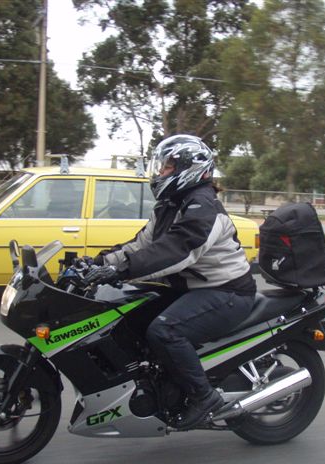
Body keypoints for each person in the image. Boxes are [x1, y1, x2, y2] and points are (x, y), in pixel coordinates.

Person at [90, 134, 256, 429]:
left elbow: (177, 251)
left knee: (165, 330)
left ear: (188, 168)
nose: (160, 173)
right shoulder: (169, 205)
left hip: (227, 292)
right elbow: (141, 245)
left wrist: (122, 270)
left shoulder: (203, 207)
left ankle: (204, 398)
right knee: (129, 316)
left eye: (166, 167)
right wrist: (98, 264)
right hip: (193, 287)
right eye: (161, 166)